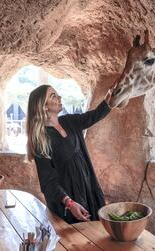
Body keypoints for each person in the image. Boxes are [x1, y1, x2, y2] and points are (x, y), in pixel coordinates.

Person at [26, 83, 115, 224]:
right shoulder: (40, 140)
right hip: (69, 200)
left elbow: (93, 116)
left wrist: (109, 100)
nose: (59, 97)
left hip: (88, 187)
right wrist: (70, 203)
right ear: (44, 106)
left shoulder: (69, 121)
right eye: (53, 96)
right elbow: (48, 183)